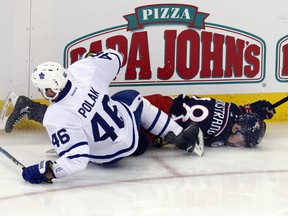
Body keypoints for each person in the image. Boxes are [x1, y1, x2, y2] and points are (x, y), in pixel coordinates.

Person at [6, 49, 204, 184]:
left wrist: (46, 171)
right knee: (133, 99)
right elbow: (116, 56)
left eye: (46, 90)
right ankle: (181, 137)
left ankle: (31, 110)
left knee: (74, 124)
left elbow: (77, 160)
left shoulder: (54, 117)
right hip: (128, 134)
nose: (45, 93)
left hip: (105, 158)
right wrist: (92, 58)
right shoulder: (84, 70)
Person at [143, 94, 274, 148]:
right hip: (160, 116)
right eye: (243, 140)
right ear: (237, 128)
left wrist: (255, 111)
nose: (239, 145)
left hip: (161, 103)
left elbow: (242, 114)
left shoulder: (233, 110)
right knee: (136, 145)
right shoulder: (220, 136)